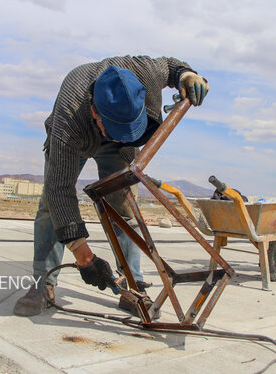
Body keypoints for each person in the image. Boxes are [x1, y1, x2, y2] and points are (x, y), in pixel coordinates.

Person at [14, 55, 209, 316]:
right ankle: (43, 283)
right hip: (77, 136)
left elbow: (173, 68)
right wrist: (84, 256)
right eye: (116, 127)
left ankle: (133, 286)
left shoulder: (145, 72)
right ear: (95, 112)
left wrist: (188, 75)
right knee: (51, 207)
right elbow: (59, 190)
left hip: (118, 146)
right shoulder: (70, 116)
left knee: (124, 209)